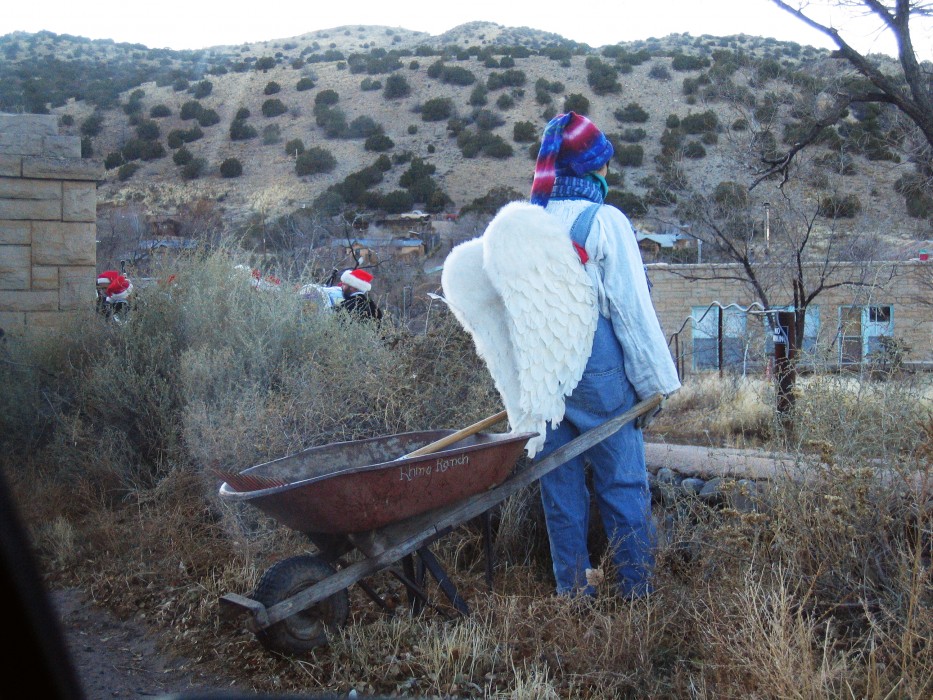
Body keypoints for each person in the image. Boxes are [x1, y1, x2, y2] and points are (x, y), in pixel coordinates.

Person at [528, 111, 682, 599]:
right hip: (598, 376)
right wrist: (656, 385)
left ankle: (572, 594)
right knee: (621, 484)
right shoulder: (604, 221)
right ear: (590, 167)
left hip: (543, 377)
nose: (609, 172)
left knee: (560, 490)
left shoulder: (527, 221)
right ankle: (637, 595)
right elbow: (631, 312)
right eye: (605, 163)